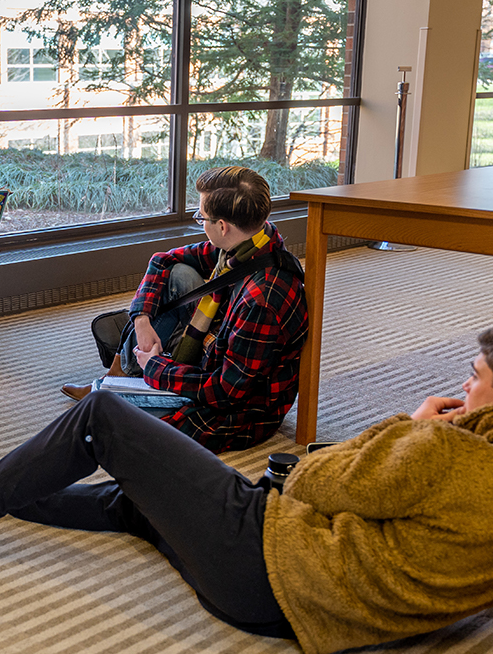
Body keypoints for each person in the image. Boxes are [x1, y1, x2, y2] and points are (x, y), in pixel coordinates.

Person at [0, 319, 493, 654]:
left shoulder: (442, 450)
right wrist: (480, 570)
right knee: (142, 498)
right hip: (309, 600)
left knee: (104, 416)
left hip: (269, 569)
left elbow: (315, 476)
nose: (464, 383)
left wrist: (409, 426)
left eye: (474, 376)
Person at [62, 165, 308, 453]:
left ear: (223, 226)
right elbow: (162, 260)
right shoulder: (249, 246)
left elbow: (225, 391)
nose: (200, 223)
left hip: (238, 409)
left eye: (201, 217)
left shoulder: (261, 301)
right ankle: (121, 376)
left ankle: (127, 382)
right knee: (178, 273)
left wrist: (156, 368)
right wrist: (141, 320)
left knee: (105, 418)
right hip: (214, 350)